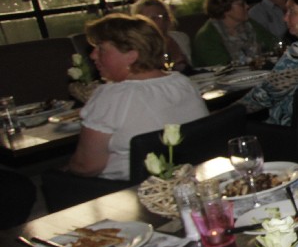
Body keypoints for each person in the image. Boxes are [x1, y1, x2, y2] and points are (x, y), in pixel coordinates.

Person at [63, 14, 207, 180]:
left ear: (132, 55)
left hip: (128, 189)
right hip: (188, 176)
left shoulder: (113, 96)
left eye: (101, 49)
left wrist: (65, 169)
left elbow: (87, 166)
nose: (93, 55)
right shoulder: (182, 82)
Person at [193, 0, 277, 67]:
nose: (247, 6)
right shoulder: (207, 37)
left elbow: (274, 44)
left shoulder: (249, 24)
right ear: (225, 7)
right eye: (241, 4)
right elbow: (223, 67)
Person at [131, 0, 191, 71]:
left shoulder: (181, 38)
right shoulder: (138, 46)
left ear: (167, 18)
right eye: (146, 18)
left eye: (155, 17)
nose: (150, 22)